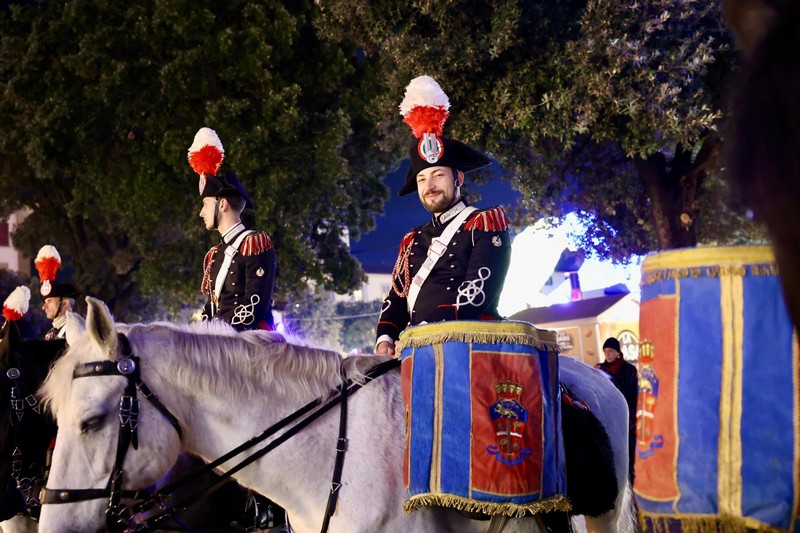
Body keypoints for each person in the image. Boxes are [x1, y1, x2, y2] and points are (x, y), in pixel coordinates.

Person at [375, 75, 512, 355]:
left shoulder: (484, 224)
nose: (430, 185)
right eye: (423, 179)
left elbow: (478, 295)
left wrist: (424, 335)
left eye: (438, 175)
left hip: (469, 349)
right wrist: (386, 338)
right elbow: (397, 299)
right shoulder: (412, 240)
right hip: (415, 350)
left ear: (458, 177)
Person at [187, 127, 278, 331]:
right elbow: (211, 309)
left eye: (205, 205)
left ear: (222, 204)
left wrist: (220, 339)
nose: (201, 213)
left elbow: (254, 310)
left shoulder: (255, 244)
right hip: (220, 347)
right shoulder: (216, 253)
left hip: (248, 348)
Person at [596, 336, 638, 483]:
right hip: (608, 419)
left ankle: (631, 486)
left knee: (628, 455)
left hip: (628, 420)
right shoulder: (599, 371)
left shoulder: (629, 370)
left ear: (618, 352)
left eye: (611, 351)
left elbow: (635, 395)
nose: (607, 354)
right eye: (605, 351)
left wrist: (634, 418)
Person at [34, 245, 79, 341]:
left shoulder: (76, 332)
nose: (44, 307)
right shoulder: (51, 333)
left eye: (49, 301)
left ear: (65, 303)